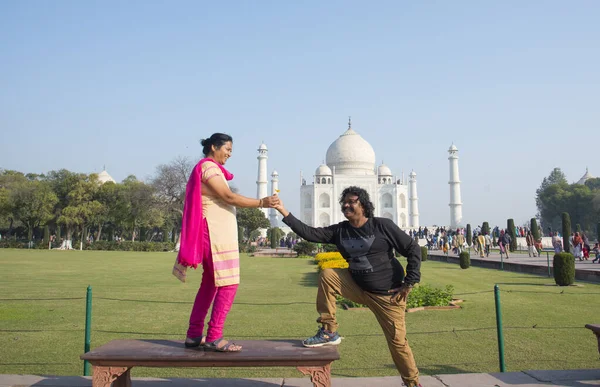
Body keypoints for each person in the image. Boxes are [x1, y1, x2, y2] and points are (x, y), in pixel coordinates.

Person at [275, 186, 422, 387]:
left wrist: (410, 281)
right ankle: (329, 330)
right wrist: (284, 211)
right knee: (328, 274)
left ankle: (413, 383)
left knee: (398, 344)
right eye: (344, 202)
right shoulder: (341, 230)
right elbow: (310, 233)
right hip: (358, 287)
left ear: (364, 205)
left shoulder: (382, 226)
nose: (346, 205)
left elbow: (412, 248)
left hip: (387, 296)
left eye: (352, 201)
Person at [176, 133, 280, 352]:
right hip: (213, 234)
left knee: (211, 283)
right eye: (228, 149)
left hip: (214, 233)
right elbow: (228, 197)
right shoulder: (209, 168)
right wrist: (262, 202)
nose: (230, 154)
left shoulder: (208, 168)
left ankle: (194, 335)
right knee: (229, 283)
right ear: (214, 147)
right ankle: (214, 336)